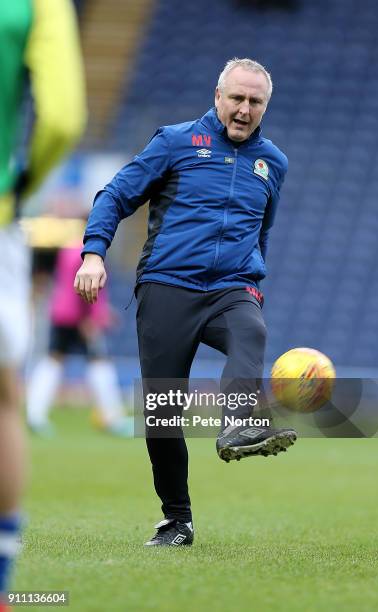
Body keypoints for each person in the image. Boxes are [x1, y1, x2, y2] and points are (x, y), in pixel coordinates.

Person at [74, 58, 297, 547]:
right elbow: (114, 196)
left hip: (231, 288)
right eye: (236, 98)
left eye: (254, 102)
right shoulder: (175, 142)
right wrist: (93, 253)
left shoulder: (272, 163)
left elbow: (262, 231)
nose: (243, 109)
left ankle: (239, 423)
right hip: (167, 286)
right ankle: (177, 519)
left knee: (251, 329)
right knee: (162, 413)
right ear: (218, 96)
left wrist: (252, 284)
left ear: (265, 107)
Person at [0, 1, 86, 608]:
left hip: (71, 314)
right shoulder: (36, 4)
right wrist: (19, 185)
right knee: (2, 398)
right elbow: (61, 117)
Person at [26, 243, 133, 438]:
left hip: (61, 312)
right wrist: (91, 317)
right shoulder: (88, 252)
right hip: (80, 315)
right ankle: (112, 418)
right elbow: (84, 285)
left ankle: (35, 415)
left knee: (54, 360)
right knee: (99, 362)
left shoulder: (67, 249)